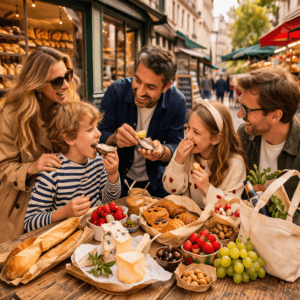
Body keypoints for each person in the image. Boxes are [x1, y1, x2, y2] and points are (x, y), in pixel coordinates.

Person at [0, 47, 81, 244]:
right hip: (22, 209)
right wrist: (32, 167)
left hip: (62, 204)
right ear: (37, 85)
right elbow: (3, 167)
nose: (65, 85)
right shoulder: (12, 115)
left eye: (67, 76)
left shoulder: (70, 106)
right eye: (56, 81)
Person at [98, 45, 186, 198]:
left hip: (158, 183)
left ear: (166, 86)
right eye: (137, 80)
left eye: (150, 87)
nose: (139, 92)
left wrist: (161, 152)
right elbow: (98, 136)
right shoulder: (115, 91)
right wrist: (114, 139)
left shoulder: (177, 102)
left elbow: (176, 146)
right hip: (118, 181)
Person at [24, 102, 121, 232]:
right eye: (90, 129)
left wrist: (113, 175)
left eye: (97, 127)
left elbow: (108, 202)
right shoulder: (52, 172)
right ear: (69, 138)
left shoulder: (98, 162)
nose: (98, 134)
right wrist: (64, 212)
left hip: (97, 234)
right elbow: (30, 222)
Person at [237, 66, 300, 225]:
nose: (239, 114)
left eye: (246, 109)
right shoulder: (244, 135)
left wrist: (276, 204)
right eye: (240, 103)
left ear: (275, 115)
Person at [163, 100, 247, 209]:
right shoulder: (187, 154)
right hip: (190, 218)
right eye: (188, 127)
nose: (188, 135)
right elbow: (171, 188)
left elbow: (233, 207)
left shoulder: (235, 163)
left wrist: (207, 188)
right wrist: (178, 161)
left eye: (196, 132)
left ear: (216, 138)